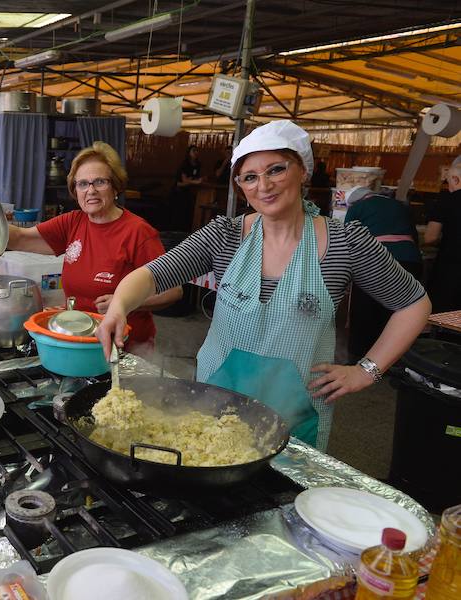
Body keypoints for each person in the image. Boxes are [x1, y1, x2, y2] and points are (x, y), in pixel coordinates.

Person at [97, 121, 430, 451]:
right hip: (214, 405)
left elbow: (414, 304)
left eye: (276, 169)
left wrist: (365, 371)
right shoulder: (224, 235)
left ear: (303, 171)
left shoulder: (345, 242)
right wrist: (119, 307)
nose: (264, 185)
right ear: (240, 186)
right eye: (250, 177)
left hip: (295, 417)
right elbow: (153, 275)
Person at [6, 141, 182, 356]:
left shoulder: (138, 232)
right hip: (81, 341)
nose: (91, 190)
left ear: (115, 186)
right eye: (82, 184)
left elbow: (173, 291)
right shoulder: (72, 223)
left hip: (126, 346)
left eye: (100, 182)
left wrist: (123, 304)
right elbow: (20, 238)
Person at [343, 187, 422, 361]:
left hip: (372, 260)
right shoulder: (401, 206)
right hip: (409, 259)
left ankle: (359, 356)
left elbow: (346, 239)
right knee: (399, 310)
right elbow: (415, 237)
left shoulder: (358, 208)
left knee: (365, 309)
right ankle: (395, 358)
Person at [424, 155, 461, 313]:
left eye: (448, 181)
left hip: (451, 266)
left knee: (444, 315)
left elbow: (429, 237)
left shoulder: (447, 200)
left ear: (456, 179)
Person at [172, 144, 203, 231]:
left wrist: (196, 180)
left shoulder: (198, 164)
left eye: (197, 151)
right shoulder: (185, 164)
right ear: (189, 153)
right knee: (179, 212)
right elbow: (184, 180)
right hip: (180, 191)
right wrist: (194, 181)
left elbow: (194, 177)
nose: (196, 153)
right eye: (193, 151)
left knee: (188, 212)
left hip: (190, 191)